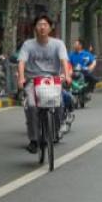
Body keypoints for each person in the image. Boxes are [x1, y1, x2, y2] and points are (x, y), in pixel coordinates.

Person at [16, 15, 72, 154]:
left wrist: (67, 75)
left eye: (45, 24)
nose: (42, 27)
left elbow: (64, 60)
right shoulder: (28, 44)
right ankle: (34, 140)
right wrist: (21, 78)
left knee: (59, 105)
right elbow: (21, 62)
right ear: (35, 27)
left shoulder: (58, 44)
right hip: (33, 81)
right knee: (31, 106)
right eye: (40, 24)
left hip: (52, 80)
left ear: (50, 27)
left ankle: (55, 131)